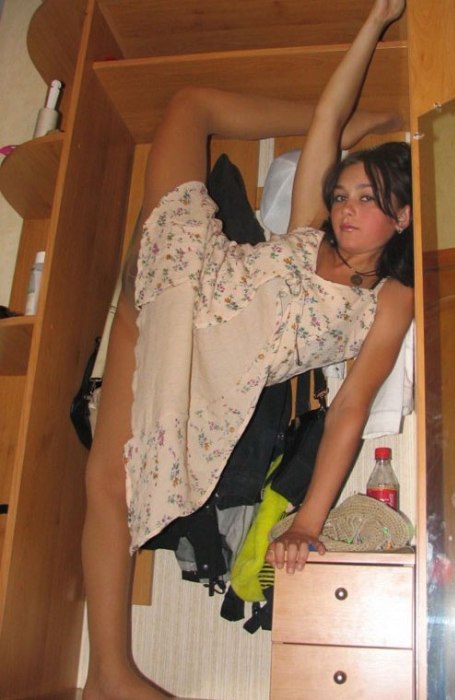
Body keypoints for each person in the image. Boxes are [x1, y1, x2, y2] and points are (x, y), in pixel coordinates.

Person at [82, 0, 411, 697]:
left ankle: (110, 673)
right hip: (180, 269)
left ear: (402, 217)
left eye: (368, 197)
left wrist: (309, 522)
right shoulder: (308, 227)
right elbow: (319, 119)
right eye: (342, 192)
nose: (346, 208)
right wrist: (372, 24)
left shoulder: (386, 303)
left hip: (187, 357)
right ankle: (112, 674)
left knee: (107, 489)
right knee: (187, 103)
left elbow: (350, 408)